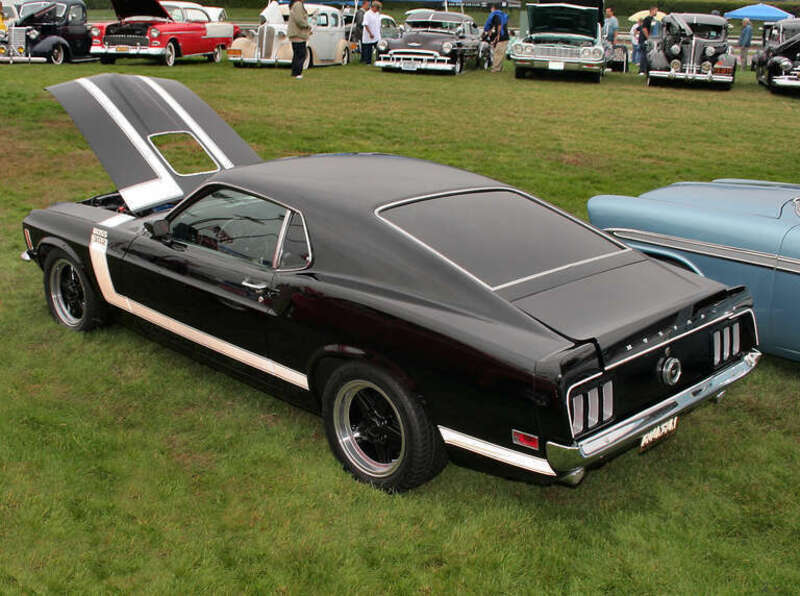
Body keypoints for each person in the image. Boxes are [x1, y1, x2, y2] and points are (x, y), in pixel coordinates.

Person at [288, 0, 311, 79]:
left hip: (295, 34)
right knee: (301, 54)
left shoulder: (295, 5)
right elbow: (299, 20)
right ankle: (297, 73)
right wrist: (307, 26)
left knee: (297, 54)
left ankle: (294, 73)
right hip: (298, 34)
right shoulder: (298, 5)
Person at [484, 3, 509, 72]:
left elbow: (499, 25)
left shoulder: (496, 15)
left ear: (493, 7)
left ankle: (495, 68)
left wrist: (498, 35)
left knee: (498, 53)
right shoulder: (501, 15)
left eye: (490, 8)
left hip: (501, 37)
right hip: (503, 37)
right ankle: (499, 67)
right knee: (499, 53)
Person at [639, 6, 658, 75]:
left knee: (649, 55)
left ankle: (647, 69)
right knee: (644, 54)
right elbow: (644, 29)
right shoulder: (647, 19)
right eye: (656, 11)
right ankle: (642, 70)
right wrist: (648, 38)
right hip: (645, 40)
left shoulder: (653, 19)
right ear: (652, 11)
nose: (656, 12)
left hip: (651, 40)